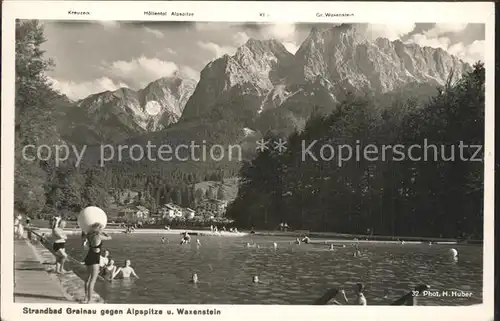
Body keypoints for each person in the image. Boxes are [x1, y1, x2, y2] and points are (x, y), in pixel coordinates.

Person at [82, 222, 112, 303]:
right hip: (95, 258)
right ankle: (89, 300)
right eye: (101, 228)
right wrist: (104, 232)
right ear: (98, 229)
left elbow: (83, 237)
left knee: (87, 279)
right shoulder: (98, 236)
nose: (102, 229)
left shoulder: (89, 235)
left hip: (89, 256)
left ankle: (85, 298)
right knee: (93, 280)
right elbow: (110, 237)